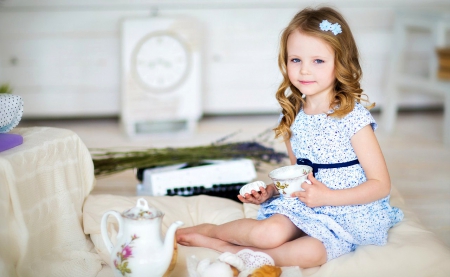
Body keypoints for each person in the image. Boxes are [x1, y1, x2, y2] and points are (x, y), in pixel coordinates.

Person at [176, 6, 404, 268]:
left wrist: (328, 198)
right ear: (285, 62)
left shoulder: (352, 117)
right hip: (305, 205)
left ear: (340, 62)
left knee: (310, 254)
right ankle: (214, 231)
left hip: (347, 212)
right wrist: (272, 191)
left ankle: (224, 248)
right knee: (268, 233)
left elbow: (380, 184)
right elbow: (299, 174)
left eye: (318, 61)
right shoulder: (293, 116)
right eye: (296, 60)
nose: (305, 71)